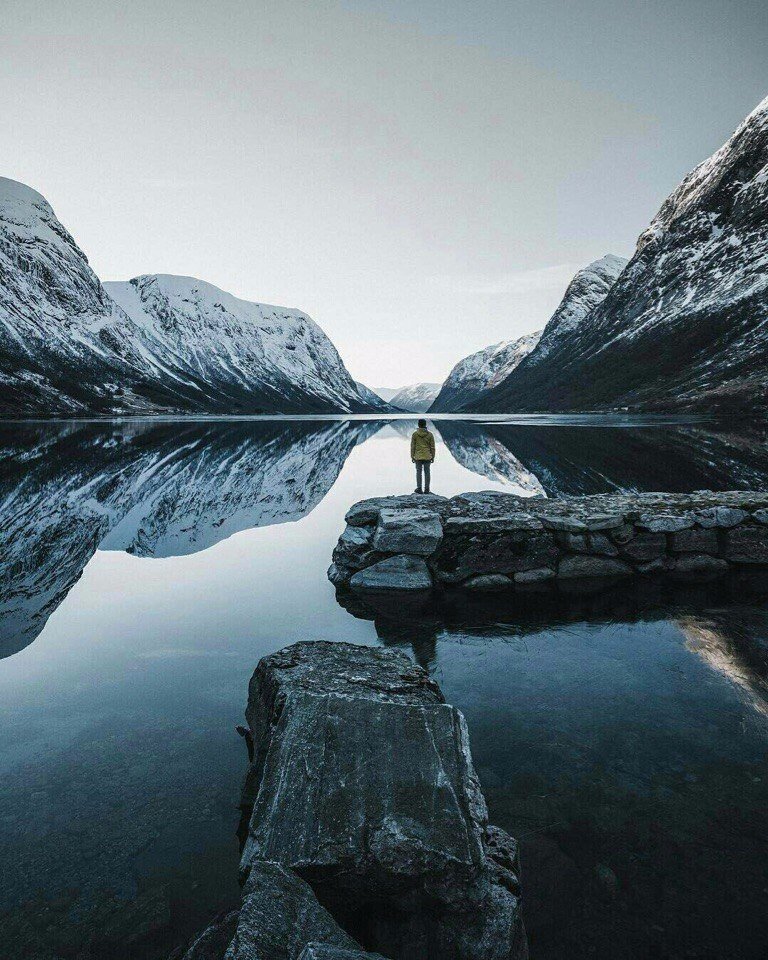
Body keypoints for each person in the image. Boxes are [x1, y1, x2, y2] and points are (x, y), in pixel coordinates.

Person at [410, 418, 435, 494]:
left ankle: (419, 488)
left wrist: (412, 456)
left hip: (417, 456)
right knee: (427, 472)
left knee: (418, 472)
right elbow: (432, 447)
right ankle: (427, 489)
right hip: (427, 456)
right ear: (425, 425)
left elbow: (413, 446)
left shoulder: (415, 434)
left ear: (418, 425)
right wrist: (433, 456)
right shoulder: (430, 434)